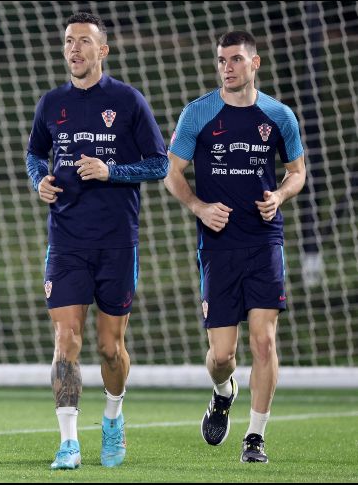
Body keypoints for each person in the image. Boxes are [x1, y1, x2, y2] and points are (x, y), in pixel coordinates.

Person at [26, 12, 168, 470]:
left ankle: (113, 418)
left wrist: (112, 172)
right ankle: (68, 441)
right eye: (69, 41)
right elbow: (34, 154)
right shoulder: (51, 104)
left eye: (84, 41)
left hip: (116, 242)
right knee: (66, 338)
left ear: (102, 50)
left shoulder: (127, 101)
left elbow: (160, 164)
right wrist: (39, 181)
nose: (75, 49)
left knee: (110, 347)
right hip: (66, 241)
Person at [165, 31, 305, 464]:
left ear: (254, 63)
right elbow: (172, 173)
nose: (227, 67)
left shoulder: (278, 116)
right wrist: (199, 207)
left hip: (264, 241)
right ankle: (223, 391)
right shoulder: (198, 113)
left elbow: (297, 172)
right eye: (221, 60)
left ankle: (254, 438)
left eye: (236, 60)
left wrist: (279, 196)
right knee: (223, 355)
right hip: (218, 247)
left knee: (264, 342)